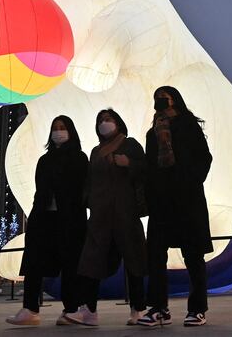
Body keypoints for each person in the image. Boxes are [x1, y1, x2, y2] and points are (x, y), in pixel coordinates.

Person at [64, 109, 147, 327]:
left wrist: (128, 163)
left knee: (133, 261)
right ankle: (89, 311)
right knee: (91, 261)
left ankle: (138, 308)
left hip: (125, 213)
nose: (104, 123)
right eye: (100, 120)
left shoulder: (130, 145)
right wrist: (88, 200)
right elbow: (89, 181)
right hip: (100, 216)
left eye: (108, 119)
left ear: (118, 123)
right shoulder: (95, 151)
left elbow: (145, 171)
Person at [139, 86, 212, 328]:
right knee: (156, 255)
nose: (160, 103)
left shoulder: (189, 126)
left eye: (164, 99)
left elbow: (204, 158)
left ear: (175, 101)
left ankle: (198, 308)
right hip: (162, 203)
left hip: (187, 200)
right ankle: (159, 307)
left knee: (193, 255)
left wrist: (188, 181)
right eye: (157, 99)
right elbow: (149, 167)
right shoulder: (152, 134)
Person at [6, 116, 88, 326]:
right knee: (34, 261)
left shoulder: (79, 158)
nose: (58, 132)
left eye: (62, 128)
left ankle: (72, 309)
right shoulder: (44, 160)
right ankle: (30, 309)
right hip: (43, 216)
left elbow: (82, 189)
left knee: (70, 264)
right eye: (55, 128)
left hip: (69, 218)